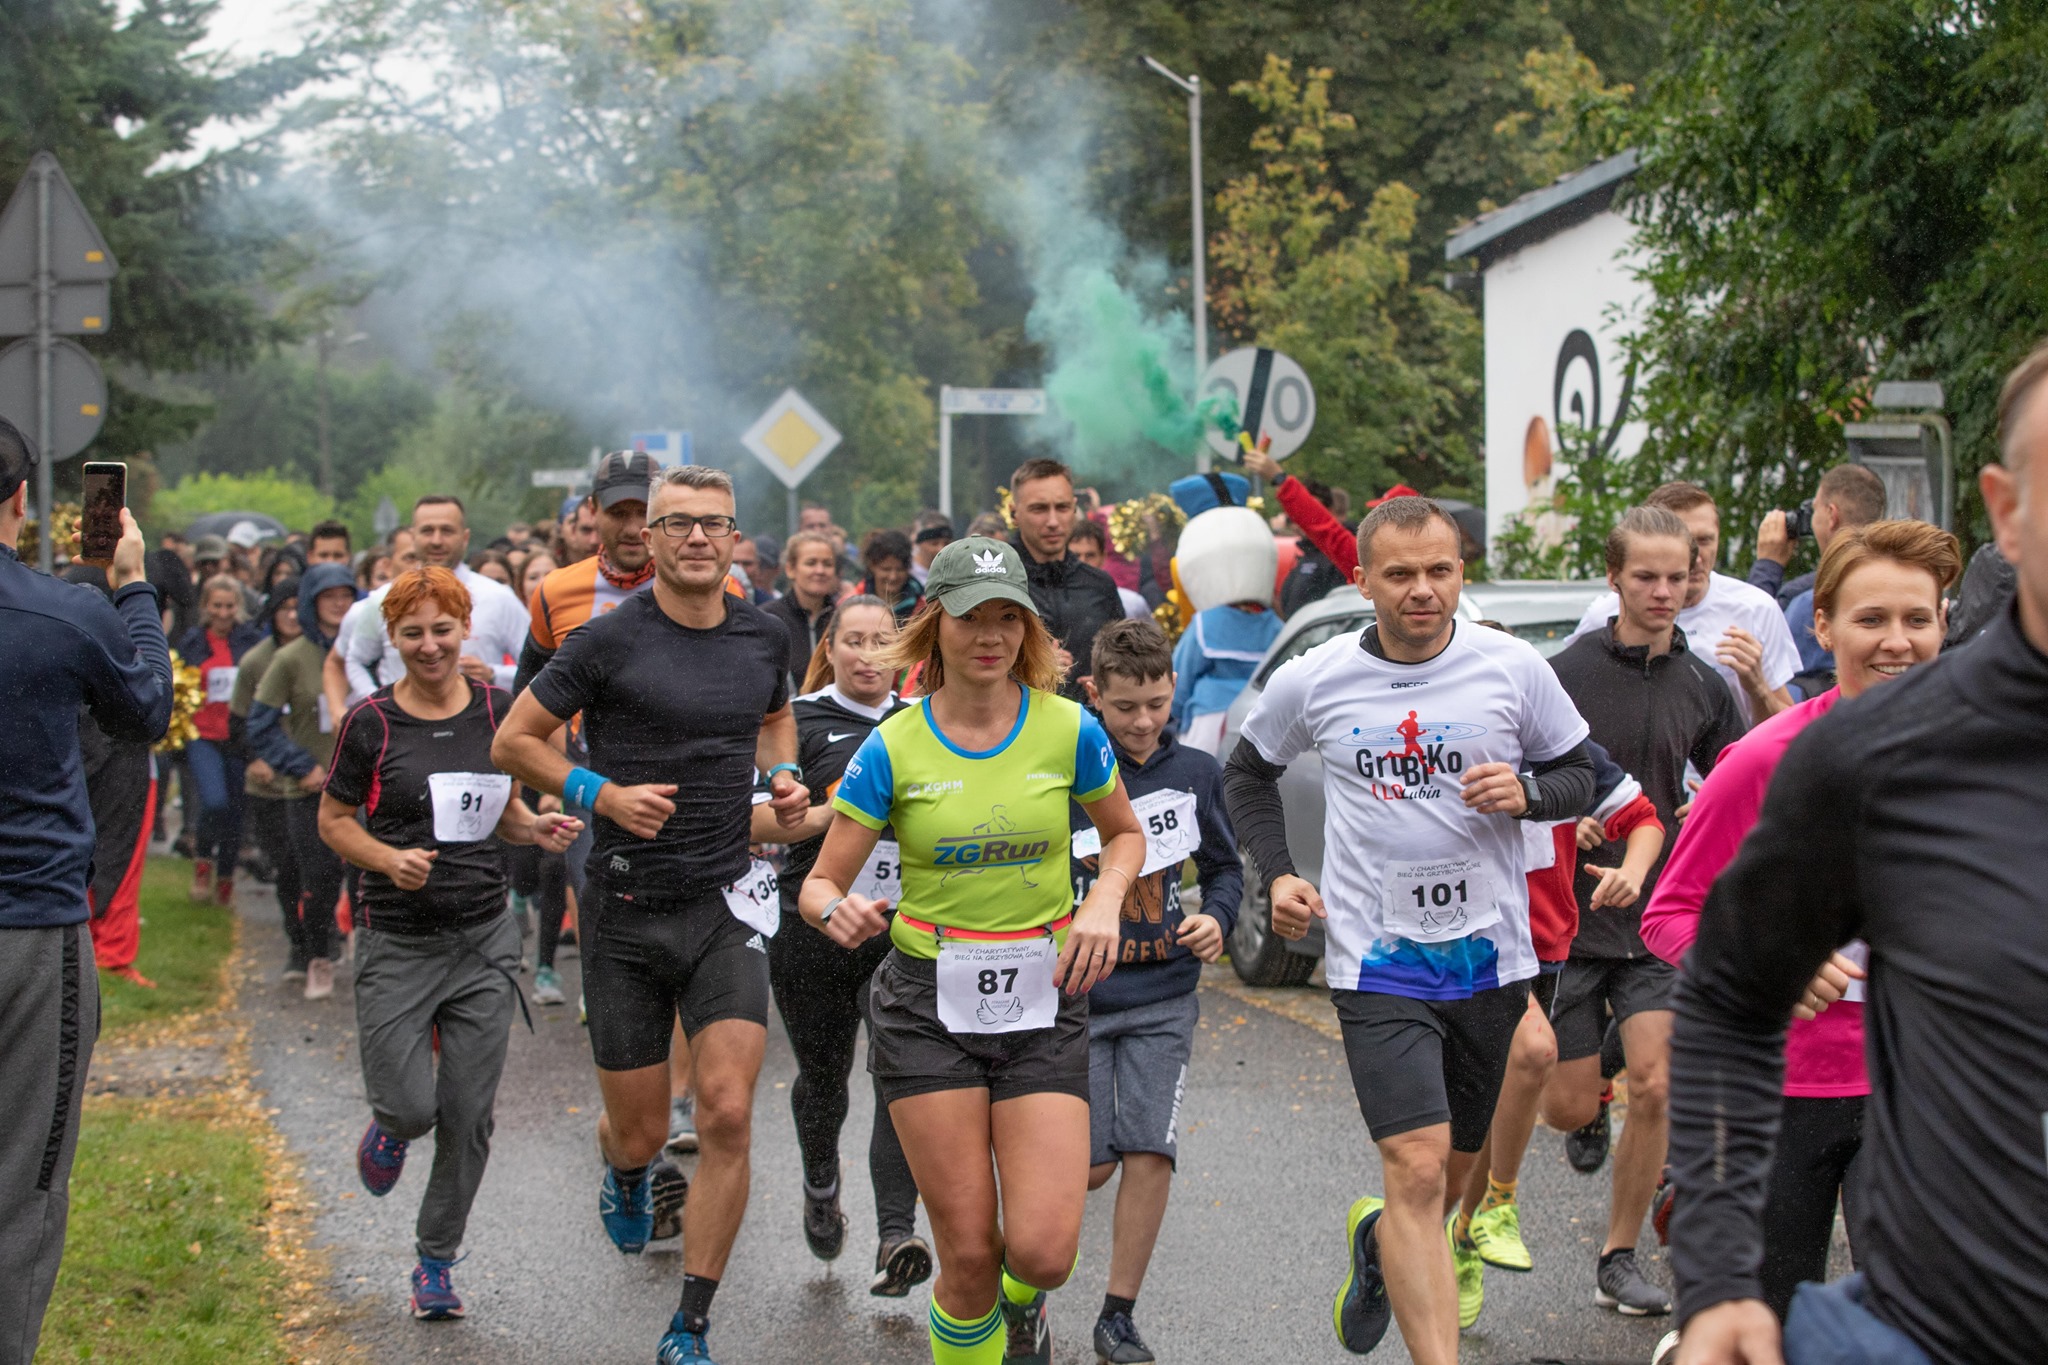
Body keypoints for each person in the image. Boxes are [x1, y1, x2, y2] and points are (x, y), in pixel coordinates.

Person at [1664, 343, 2048, 1365]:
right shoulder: (1864, 759)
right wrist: (1717, 1282)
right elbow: (1725, 996)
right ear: (2007, 512)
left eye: (1913, 618)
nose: (1894, 639)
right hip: (1952, 1324)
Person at [1221, 496, 1594, 1363]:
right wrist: (1279, 871)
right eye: (1400, 574)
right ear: (1362, 580)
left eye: (1439, 570)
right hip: (1377, 961)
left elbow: (1579, 772)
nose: (1422, 589)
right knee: (1419, 1168)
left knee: (1447, 1176)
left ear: (1461, 571)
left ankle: (1383, 1238)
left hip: (1490, 960)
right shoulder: (1316, 677)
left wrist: (1531, 794)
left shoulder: (1512, 666)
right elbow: (1245, 774)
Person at [798, 534, 1144, 1365]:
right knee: (968, 1255)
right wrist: (835, 910)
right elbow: (819, 882)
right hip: (927, 1004)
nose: (990, 635)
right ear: (935, 624)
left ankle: (1024, 1307)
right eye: (970, 617)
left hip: (1044, 992)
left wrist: (1102, 899)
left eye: (1007, 618)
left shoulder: (1069, 729)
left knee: (1044, 1252)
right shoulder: (895, 744)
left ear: (1029, 628)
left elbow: (1125, 835)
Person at [493, 464, 808, 1365]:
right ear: (650, 538)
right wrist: (599, 792)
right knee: (637, 1130)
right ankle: (627, 1170)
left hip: (725, 901)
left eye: (714, 523)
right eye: (678, 523)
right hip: (626, 910)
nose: (697, 537)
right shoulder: (605, 640)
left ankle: (691, 1322)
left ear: (735, 537)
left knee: (727, 1110)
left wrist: (783, 774)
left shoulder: (764, 633)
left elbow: (776, 718)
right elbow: (512, 740)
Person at [1640, 520, 1957, 1347]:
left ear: (1944, 623)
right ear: (1823, 625)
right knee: (1770, 1329)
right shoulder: (1763, 760)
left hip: (1919, 1087)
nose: (1896, 641)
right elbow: (1669, 915)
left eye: (1916, 619)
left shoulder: (1978, 761)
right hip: (1781, 1092)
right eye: (1871, 619)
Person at [318, 567, 583, 1322]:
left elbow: (496, 809)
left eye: (442, 629)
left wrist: (533, 827)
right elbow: (333, 820)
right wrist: (385, 859)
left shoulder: (499, 712)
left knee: (468, 1114)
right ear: (392, 640)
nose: (430, 645)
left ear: (465, 628)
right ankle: (391, 1129)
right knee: (410, 1107)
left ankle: (435, 1260)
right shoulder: (370, 722)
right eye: (413, 633)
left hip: (482, 939)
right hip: (397, 942)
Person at [1543, 505, 1748, 1318]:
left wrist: (1710, 804)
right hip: (1570, 917)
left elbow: (1737, 771)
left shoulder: (1705, 683)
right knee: (1564, 1103)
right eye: (1646, 577)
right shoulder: (1564, 672)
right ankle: (1589, 1098)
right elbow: (1524, 773)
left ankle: (1618, 1256)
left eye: (1678, 576)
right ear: (1614, 578)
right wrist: (1568, 811)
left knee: (1658, 1085)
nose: (1664, 591)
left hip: (1657, 914)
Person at [0, 418, 172, 1365]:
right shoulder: (66, 614)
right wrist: (132, 583)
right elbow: (146, 708)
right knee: (24, 1183)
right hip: (33, 928)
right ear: (23, 500)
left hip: (36, 917)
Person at [1073, 618, 1243, 1364]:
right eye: (1124, 707)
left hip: (1165, 996)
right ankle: (1024, 1280)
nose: (1143, 721)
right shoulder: (1070, 770)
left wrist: (1217, 918)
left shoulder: (1198, 773)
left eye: (1156, 704)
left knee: (1149, 1151)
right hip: (1077, 1000)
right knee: (1089, 1167)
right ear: (1094, 695)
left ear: (1175, 687)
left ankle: (1118, 1313)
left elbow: (1227, 869)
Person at [1450, 721, 1664, 1286]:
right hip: (1469, 941)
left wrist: (1632, 872)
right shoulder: (1446, 742)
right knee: (1533, 1052)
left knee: (1502, 1102)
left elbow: (1644, 818)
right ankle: (1499, 1202)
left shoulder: (1561, 750)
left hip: (1545, 949)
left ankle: (1463, 1229)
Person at [764, 595, 930, 1296]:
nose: (867, 655)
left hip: (903, 930)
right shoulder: (797, 722)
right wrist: (841, 811)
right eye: (853, 641)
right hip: (814, 928)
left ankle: (896, 1233)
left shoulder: (923, 720)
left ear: (902, 653)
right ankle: (820, 1183)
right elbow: (755, 825)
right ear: (828, 648)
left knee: (900, 1076)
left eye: (880, 641)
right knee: (825, 1079)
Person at [1564, 483, 1801, 726]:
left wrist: (1759, 689)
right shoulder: (1605, 615)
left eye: (1705, 540)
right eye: (1685, 541)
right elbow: (1564, 702)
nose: (1696, 557)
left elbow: (1790, 728)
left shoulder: (1756, 608)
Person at [249, 562, 361, 1000]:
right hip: (311, 790)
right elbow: (259, 726)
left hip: (365, 789)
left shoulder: (368, 651)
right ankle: (316, 956)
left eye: (346, 595)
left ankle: (364, 955)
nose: (338, 604)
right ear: (312, 603)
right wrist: (300, 766)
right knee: (317, 879)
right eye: (328, 597)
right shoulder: (291, 658)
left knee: (369, 878)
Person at [334, 497, 528, 706]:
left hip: (483, 720)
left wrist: (494, 675)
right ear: (413, 536)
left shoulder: (499, 598)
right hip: (401, 724)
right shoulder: (383, 600)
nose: (436, 540)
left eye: (447, 531)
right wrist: (380, 707)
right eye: (427, 531)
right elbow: (355, 660)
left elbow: (540, 669)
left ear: (465, 537)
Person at [1749, 464, 1888, 693]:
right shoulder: (1898, 585)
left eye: (1814, 510)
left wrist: (1767, 566)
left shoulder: (1805, 599)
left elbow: (1749, 648)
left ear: (1832, 515)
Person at [233, 577, 313, 979]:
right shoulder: (255, 662)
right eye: (285, 609)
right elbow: (238, 723)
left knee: (318, 867)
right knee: (286, 867)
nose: (293, 616)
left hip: (312, 780)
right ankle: (297, 941)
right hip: (270, 784)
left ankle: (321, 935)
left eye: (299, 607)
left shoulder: (324, 656)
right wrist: (254, 759)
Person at [177, 575, 264, 905]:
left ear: (238, 607)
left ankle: (225, 877)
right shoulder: (192, 643)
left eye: (229, 606)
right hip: (203, 735)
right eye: (217, 606)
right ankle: (203, 861)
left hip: (239, 738)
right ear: (205, 606)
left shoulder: (250, 642)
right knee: (214, 802)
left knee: (236, 812)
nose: (224, 613)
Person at [1009, 458, 1125, 703]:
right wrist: (1028, 671)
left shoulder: (1099, 585)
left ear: (1074, 508)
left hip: (1089, 722)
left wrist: (1108, 683)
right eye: (1039, 509)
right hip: (1015, 722)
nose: (1053, 521)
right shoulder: (995, 582)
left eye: (1061, 507)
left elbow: (1125, 661)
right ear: (1014, 512)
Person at [1171, 589, 1283, 757]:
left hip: (1208, 721)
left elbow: (1180, 679)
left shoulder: (1206, 622)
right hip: (1262, 720)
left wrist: (1175, 718)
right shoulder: (1277, 627)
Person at [764, 530, 842, 693]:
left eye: (827, 564)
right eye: (811, 563)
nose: (820, 571)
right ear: (790, 569)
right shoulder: (768, 617)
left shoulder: (842, 619)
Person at [1067, 521, 1150, 620]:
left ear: (1103, 557)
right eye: (1075, 556)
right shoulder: (1053, 603)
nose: (1082, 562)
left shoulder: (1133, 604)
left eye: (1090, 556)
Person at [859, 528, 927, 623]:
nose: (893, 577)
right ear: (872, 566)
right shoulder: (853, 602)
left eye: (900, 570)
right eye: (886, 569)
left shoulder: (924, 608)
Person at [910, 514, 953, 584]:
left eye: (946, 543)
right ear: (919, 543)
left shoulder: (955, 573)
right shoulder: (905, 573)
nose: (941, 549)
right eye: (934, 544)